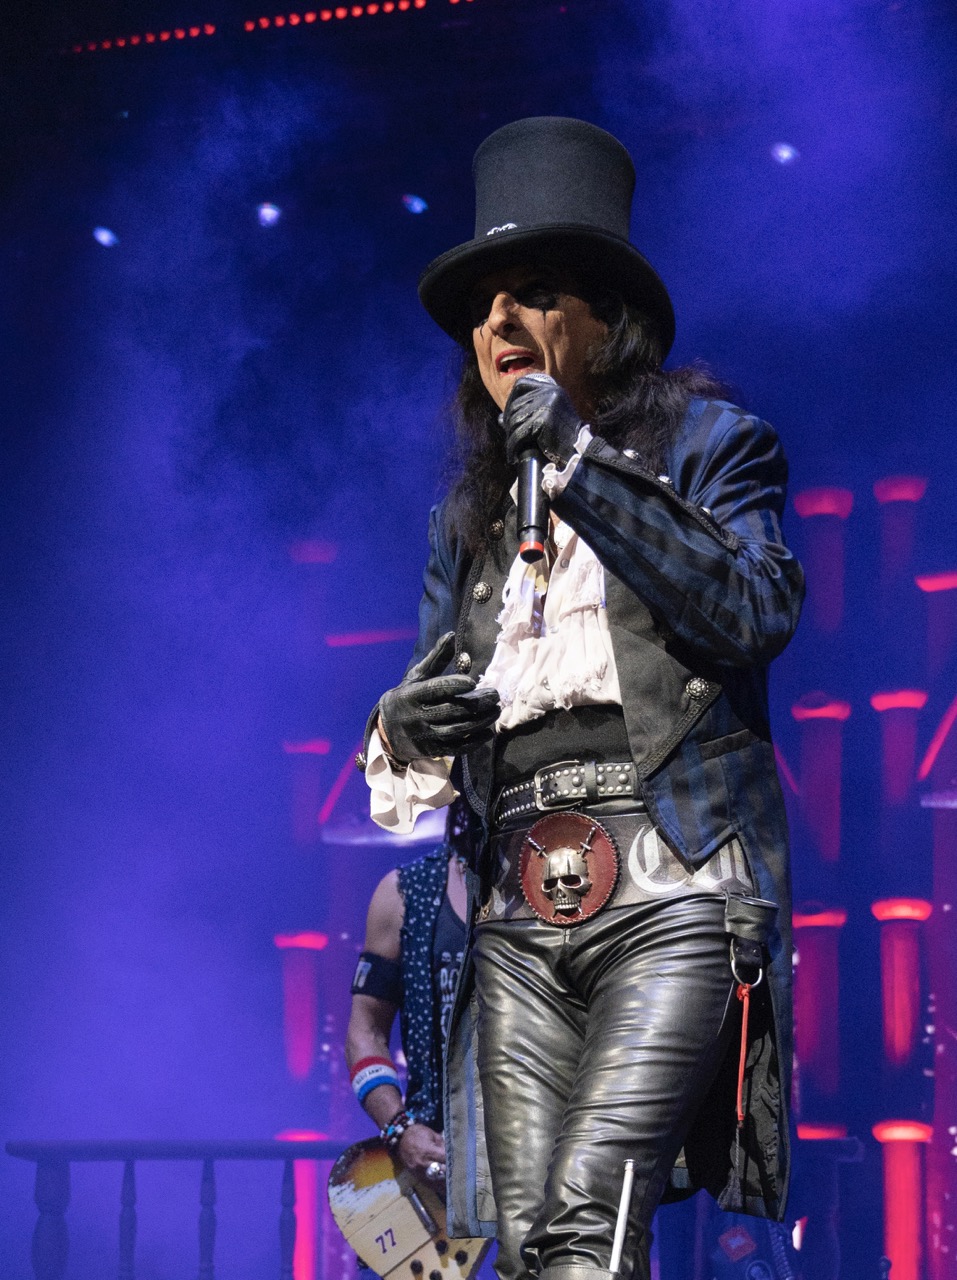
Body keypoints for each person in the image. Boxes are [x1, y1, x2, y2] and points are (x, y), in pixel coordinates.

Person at [358, 116, 804, 1280]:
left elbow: (755, 608)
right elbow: (423, 713)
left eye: (535, 294)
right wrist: (403, 724)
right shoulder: (467, 522)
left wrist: (581, 464)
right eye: (483, 306)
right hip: (514, 904)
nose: (499, 323)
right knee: (521, 1247)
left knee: (588, 1211)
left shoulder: (713, 446)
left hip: (673, 878)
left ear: (609, 321)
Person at [345, 805, 471, 1184]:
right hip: (438, 1168)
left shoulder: (562, 889)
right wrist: (400, 1129)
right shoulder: (404, 893)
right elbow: (365, 1031)